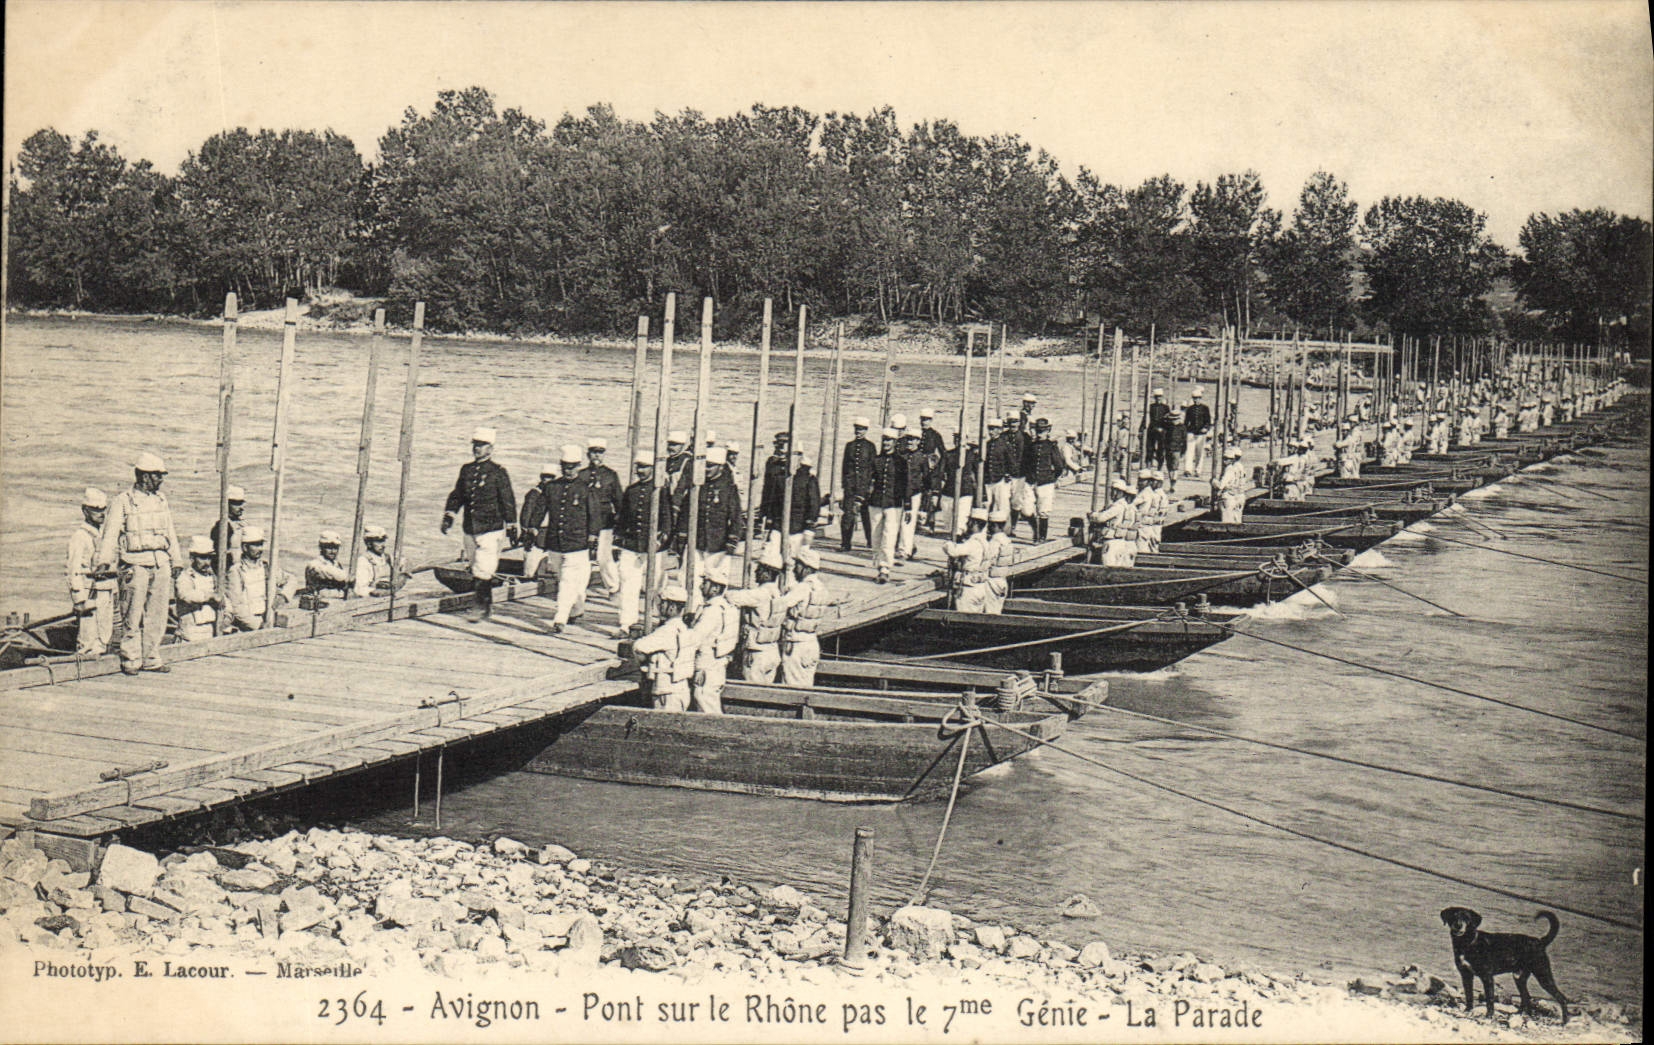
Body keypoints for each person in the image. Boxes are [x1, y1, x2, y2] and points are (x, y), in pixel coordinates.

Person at [98, 452, 182, 675]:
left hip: (160, 563)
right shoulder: (123, 501)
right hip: (135, 564)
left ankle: (151, 658)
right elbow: (110, 534)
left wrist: (177, 560)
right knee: (132, 614)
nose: (161, 480)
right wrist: (104, 561)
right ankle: (130, 659)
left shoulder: (161, 500)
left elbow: (170, 533)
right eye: (157, 476)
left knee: (158, 614)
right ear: (144, 476)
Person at [521, 445, 602, 634]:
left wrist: (593, 537)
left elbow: (595, 515)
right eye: (565, 465)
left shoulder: (586, 489)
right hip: (555, 543)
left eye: (572, 466)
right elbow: (540, 510)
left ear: (579, 466)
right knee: (562, 577)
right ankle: (576, 608)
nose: (568, 469)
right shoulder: (552, 488)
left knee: (567, 580)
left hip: (577, 543)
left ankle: (560, 618)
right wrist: (532, 528)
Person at [441, 426, 517, 622]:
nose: (477, 448)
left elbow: (507, 499)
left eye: (482, 445)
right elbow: (457, 495)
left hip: (491, 528)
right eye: (475, 445)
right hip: (470, 528)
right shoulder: (466, 470)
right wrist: (449, 515)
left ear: (491, 449)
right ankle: (485, 604)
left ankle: (481, 608)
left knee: (483, 568)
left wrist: (512, 525)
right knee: (476, 565)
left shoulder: (498, 472)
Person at [613, 450, 674, 638]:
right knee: (628, 584)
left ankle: (661, 619)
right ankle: (626, 623)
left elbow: (667, 519)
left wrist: (661, 541)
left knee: (656, 584)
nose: (640, 470)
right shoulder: (631, 491)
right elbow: (622, 519)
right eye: (638, 467)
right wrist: (618, 543)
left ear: (653, 469)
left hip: (653, 547)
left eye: (644, 467)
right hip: (632, 545)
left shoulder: (661, 491)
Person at [675, 444, 744, 589]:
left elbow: (736, 518)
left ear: (720, 467)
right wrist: (682, 535)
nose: (706, 469)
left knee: (716, 584)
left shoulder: (729, 488)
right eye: (705, 466)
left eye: (710, 466)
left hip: (718, 544)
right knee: (687, 579)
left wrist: (732, 542)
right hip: (697, 541)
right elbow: (685, 512)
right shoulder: (697, 486)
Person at [66, 486, 116, 657]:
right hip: (89, 593)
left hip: (106, 591)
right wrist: (78, 598)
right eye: (95, 509)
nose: (101, 513)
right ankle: (85, 665)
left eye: (103, 509)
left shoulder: (104, 536)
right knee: (88, 637)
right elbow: (74, 570)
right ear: (85, 510)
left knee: (104, 634)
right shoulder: (80, 537)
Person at [727, 548, 788, 683]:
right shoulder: (777, 593)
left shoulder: (760, 594)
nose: (755, 572)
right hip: (772, 649)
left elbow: (732, 598)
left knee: (752, 693)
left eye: (759, 569)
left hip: (757, 652)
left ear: (767, 573)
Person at [634, 583, 695, 711]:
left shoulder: (667, 631)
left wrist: (644, 662)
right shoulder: (683, 628)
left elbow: (638, 647)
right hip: (680, 688)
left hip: (666, 692)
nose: (660, 607)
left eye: (663, 604)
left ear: (672, 607)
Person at [687, 564, 740, 713]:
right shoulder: (724, 607)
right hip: (715, 664)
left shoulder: (713, 611)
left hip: (707, 664)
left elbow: (695, 637)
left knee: (705, 704)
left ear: (715, 588)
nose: (701, 586)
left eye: (705, 583)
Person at [225, 525, 296, 631]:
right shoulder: (236, 571)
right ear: (245, 547)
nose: (260, 549)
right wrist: (258, 625)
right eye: (256, 545)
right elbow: (237, 607)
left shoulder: (266, 568)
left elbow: (292, 579)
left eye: (261, 544)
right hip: (248, 625)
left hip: (268, 618)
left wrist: (283, 596)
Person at [782, 547, 832, 686]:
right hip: (811, 642)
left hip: (797, 643)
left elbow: (782, 605)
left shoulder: (803, 588)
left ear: (806, 568)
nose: (794, 569)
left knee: (792, 686)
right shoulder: (822, 588)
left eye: (798, 565)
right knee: (807, 687)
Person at [583, 438, 624, 597]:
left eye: (600, 452)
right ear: (588, 454)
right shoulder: (582, 475)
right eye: (594, 452)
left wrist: (620, 523)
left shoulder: (610, 475)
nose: (597, 456)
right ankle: (580, 591)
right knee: (583, 558)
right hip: (584, 522)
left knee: (603, 558)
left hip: (605, 522)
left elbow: (618, 500)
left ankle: (613, 588)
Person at [867, 428, 906, 584]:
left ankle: (885, 568)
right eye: (884, 440)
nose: (886, 443)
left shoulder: (901, 462)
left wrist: (907, 504)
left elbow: (905, 484)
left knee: (889, 536)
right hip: (876, 502)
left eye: (889, 440)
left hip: (893, 504)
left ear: (895, 443)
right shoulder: (876, 460)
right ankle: (878, 564)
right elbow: (869, 480)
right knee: (875, 536)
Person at [1021, 418, 1065, 542]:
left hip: (1046, 482)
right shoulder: (1031, 445)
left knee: (1043, 511)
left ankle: (1041, 536)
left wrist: (1052, 478)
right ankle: (1035, 529)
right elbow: (1025, 463)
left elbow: (1059, 466)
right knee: (1026, 510)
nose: (1040, 433)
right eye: (1038, 431)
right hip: (1031, 482)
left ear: (1048, 431)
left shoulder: (1051, 446)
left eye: (1042, 431)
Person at [173, 536, 223, 642]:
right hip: (190, 634)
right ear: (192, 558)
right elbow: (186, 595)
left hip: (210, 632)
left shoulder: (212, 577)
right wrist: (209, 596)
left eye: (209, 558)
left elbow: (224, 600)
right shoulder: (185, 577)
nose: (207, 562)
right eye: (203, 558)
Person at [943, 507, 992, 612]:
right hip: (981, 586)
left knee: (963, 620)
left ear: (974, 523)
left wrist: (948, 542)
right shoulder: (985, 542)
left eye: (969, 521)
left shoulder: (973, 542)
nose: (967, 523)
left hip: (969, 587)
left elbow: (953, 551)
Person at [839, 417, 876, 551]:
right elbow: (845, 467)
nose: (859, 432)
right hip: (851, 486)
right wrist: (844, 485)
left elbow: (873, 467)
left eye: (861, 429)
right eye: (857, 429)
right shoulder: (849, 446)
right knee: (848, 515)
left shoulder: (870, 447)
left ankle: (871, 541)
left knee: (867, 516)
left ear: (866, 430)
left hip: (864, 486)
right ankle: (845, 543)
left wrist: (871, 485)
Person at [1086, 480, 1138, 567]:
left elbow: (1100, 518)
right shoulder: (1128, 507)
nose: (1113, 493)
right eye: (1113, 490)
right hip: (1121, 541)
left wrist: (1092, 515)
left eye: (1117, 491)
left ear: (1122, 493)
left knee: (1108, 566)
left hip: (1112, 542)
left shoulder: (1117, 506)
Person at [938, 431, 979, 534]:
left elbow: (978, 474)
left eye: (960, 438)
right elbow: (939, 473)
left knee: (961, 520)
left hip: (965, 491)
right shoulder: (948, 454)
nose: (958, 440)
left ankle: (959, 536)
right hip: (949, 491)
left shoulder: (971, 456)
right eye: (956, 438)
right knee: (948, 522)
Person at [898, 430, 927, 560]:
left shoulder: (921, 458)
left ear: (918, 441)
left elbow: (926, 478)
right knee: (898, 521)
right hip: (900, 492)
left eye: (913, 439)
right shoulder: (901, 456)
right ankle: (907, 546)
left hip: (914, 493)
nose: (910, 442)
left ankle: (905, 550)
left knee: (908, 522)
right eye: (908, 439)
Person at [916, 409, 946, 532]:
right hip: (917, 467)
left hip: (929, 468)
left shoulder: (935, 435)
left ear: (931, 421)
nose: (924, 422)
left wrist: (939, 469)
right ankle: (918, 520)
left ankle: (931, 521)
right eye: (922, 419)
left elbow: (943, 453)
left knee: (931, 494)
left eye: (927, 420)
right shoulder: (916, 434)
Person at [305, 531, 354, 601]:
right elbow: (334, 573)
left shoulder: (336, 564)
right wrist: (349, 577)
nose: (333, 551)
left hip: (337, 601)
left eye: (335, 548)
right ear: (321, 547)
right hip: (320, 603)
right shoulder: (314, 565)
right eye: (329, 547)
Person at [983, 417, 1016, 520]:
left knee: (1002, 505)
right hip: (988, 479)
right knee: (985, 504)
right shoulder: (986, 445)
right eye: (990, 429)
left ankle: (1003, 528)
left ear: (1000, 430)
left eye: (994, 429)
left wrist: (1008, 474)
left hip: (1000, 479)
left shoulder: (1005, 445)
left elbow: (1011, 462)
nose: (991, 432)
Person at [759, 431, 792, 535]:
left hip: (788, 504)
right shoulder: (771, 462)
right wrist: (763, 510)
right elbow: (767, 487)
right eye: (778, 443)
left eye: (784, 442)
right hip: (773, 505)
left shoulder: (794, 464)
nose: (780, 446)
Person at [353, 524, 398, 597]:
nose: (383, 545)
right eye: (378, 541)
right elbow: (359, 589)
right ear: (369, 543)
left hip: (390, 596)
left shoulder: (387, 558)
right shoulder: (363, 561)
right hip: (372, 601)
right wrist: (375, 591)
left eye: (383, 540)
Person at [210, 485, 248, 568]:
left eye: (241, 503)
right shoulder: (222, 526)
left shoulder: (243, 524)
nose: (241, 508)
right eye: (236, 504)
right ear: (227, 504)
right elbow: (218, 554)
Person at [1135, 470, 1167, 554]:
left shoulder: (1147, 493)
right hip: (1153, 526)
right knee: (1152, 549)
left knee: (1142, 550)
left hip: (1147, 525)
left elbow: (1140, 510)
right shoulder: (1158, 494)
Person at [1214, 447, 1249, 523]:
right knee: (1237, 520)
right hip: (1240, 495)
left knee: (1227, 520)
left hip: (1229, 495)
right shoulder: (1241, 467)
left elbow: (1221, 485)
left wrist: (1213, 482)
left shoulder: (1231, 468)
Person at [1183, 387, 1212, 476]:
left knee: (1199, 452)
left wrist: (1205, 428)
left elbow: (1208, 421)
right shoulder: (1190, 409)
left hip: (1201, 433)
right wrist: (1185, 431)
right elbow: (1186, 421)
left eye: (1198, 398)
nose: (1196, 400)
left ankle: (1198, 470)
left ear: (1200, 398)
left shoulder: (1205, 408)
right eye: (1194, 398)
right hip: (1191, 432)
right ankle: (1188, 470)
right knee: (1189, 452)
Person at [1145, 389, 1170, 470]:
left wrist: (1165, 429)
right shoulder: (1151, 407)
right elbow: (1146, 418)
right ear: (1154, 398)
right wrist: (1141, 428)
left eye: (1160, 397)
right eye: (1157, 397)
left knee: (1161, 449)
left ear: (1162, 397)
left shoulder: (1166, 407)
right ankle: (1148, 466)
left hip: (1162, 431)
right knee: (1149, 448)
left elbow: (1168, 420)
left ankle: (1159, 467)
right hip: (1152, 430)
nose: (1158, 398)